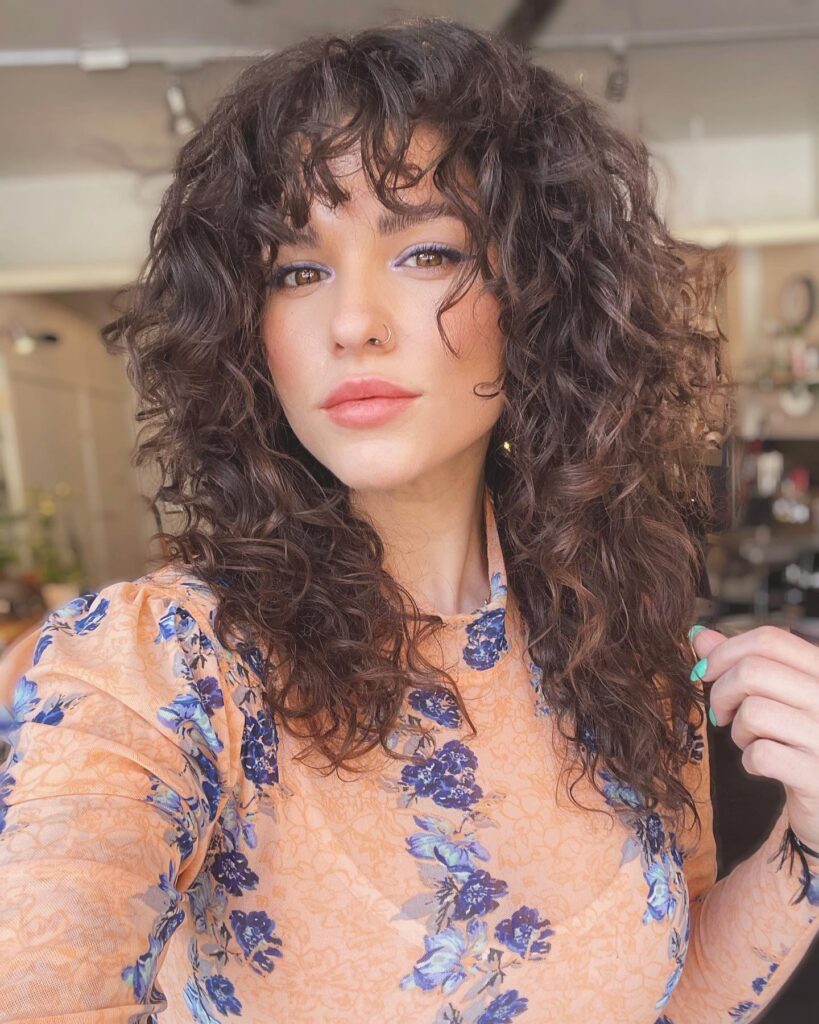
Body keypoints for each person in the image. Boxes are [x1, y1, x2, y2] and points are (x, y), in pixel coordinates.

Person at [0, 16, 817, 1024]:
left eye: (425, 251)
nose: (353, 320)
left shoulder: (620, 650)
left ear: (538, 303)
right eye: (297, 270)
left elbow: (670, 997)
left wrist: (808, 839)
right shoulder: (164, 666)